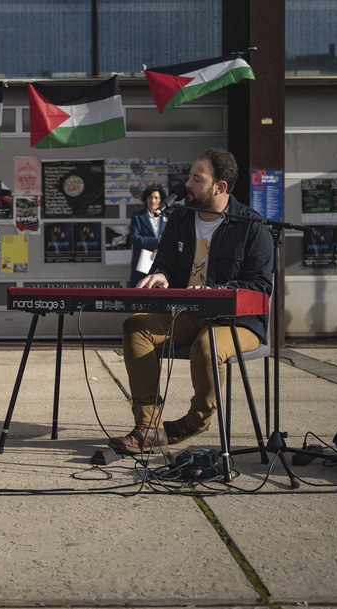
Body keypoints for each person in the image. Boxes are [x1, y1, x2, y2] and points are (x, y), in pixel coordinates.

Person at [109, 147, 274, 454]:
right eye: (189, 176)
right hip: (187, 313)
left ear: (219, 187)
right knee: (135, 326)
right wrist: (160, 274)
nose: (187, 184)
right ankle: (148, 426)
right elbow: (167, 263)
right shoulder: (181, 219)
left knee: (207, 346)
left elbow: (261, 286)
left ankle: (194, 422)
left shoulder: (252, 225)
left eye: (197, 179)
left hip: (237, 321)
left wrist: (222, 291)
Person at [128, 184, 167, 287]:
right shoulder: (137, 216)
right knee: (140, 292)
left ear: (161, 200)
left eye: (156, 198)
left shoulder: (168, 217)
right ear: (145, 199)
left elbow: (171, 239)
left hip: (162, 262)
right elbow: (135, 239)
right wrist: (156, 243)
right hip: (142, 264)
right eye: (150, 197)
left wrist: (159, 248)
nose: (153, 201)